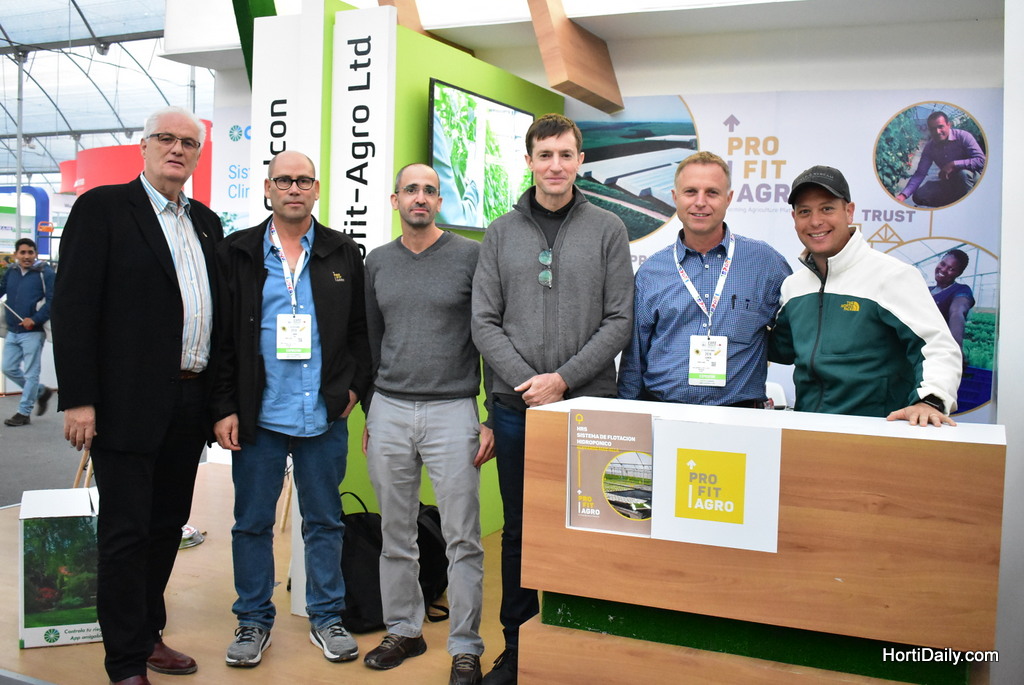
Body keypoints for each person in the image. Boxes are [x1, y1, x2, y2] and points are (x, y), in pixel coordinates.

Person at [52, 106, 222, 685]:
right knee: (125, 535)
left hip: (190, 402)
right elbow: (73, 307)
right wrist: (79, 399)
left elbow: (217, 314)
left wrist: (220, 403)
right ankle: (125, 663)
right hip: (123, 405)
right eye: (166, 139)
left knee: (166, 526)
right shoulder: (102, 208)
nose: (177, 149)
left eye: (189, 143)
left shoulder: (206, 222)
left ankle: (148, 635)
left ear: (198, 155)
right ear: (143, 146)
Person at [471, 113, 634, 684]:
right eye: (545, 155)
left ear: (580, 161)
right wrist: (530, 385)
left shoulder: (609, 228)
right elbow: (483, 321)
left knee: (591, 528)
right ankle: (517, 648)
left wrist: (561, 380)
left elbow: (619, 320)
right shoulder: (499, 232)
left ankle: (581, 643)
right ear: (529, 161)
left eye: (566, 154)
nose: (556, 165)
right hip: (516, 411)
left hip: (589, 409)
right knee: (520, 531)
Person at [211, 150, 371, 669]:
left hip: (322, 415)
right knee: (252, 523)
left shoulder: (343, 252)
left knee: (324, 520)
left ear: (317, 189)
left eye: (304, 180)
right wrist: (225, 406)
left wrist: (352, 390)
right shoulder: (237, 251)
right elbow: (222, 338)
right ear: (268, 188)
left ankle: (326, 616)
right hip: (257, 415)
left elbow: (360, 333)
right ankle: (253, 620)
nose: (294, 188)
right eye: (284, 180)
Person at [362, 163, 494, 685]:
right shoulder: (377, 261)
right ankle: (404, 630)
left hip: (452, 411)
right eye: (411, 189)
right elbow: (372, 339)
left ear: (440, 202)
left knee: (463, 538)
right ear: (394, 199)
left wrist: (488, 414)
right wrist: (371, 407)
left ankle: (465, 646)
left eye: (430, 191)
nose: (420, 197)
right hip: (390, 409)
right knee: (395, 533)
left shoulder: (470, 257)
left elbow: (488, 334)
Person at [769, 165, 962, 426]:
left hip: (876, 432)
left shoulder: (892, 276)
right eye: (805, 212)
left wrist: (931, 400)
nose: (815, 221)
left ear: (849, 212)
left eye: (827, 209)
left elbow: (938, 346)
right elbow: (780, 349)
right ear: (794, 219)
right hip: (807, 429)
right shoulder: (793, 286)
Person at [617, 152, 791, 406]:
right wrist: (628, 414)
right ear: (675, 197)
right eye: (690, 192)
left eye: (712, 192)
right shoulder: (651, 272)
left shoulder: (765, 263)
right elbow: (634, 358)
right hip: (665, 413)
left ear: (728, 198)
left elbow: (795, 333)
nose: (700, 202)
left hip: (740, 416)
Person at [1, 238, 55, 426]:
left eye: (30, 252)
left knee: (31, 373)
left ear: (35, 254)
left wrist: (35, 319)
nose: (26, 256)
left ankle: (23, 412)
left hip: (33, 331)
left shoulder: (45, 273)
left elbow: (52, 301)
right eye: (22, 252)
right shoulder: (11, 271)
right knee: (8, 368)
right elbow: (2, 290)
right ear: (15, 254)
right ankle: (40, 391)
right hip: (13, 330)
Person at [895, 111, 986, 207]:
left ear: (949, 125)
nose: (937, 132)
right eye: (933, 129)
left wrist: (954, 164)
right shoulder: (930, 147)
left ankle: (969, 204)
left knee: (963, 174)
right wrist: (903, 195)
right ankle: (953, 202)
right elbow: (920, 173)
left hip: (972, 179)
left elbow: (981, 160)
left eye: (940, 127)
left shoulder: (963, 136)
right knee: (919, 195)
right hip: (950, 182)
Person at [930, 248, 974, 350]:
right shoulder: (926, 289)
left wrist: (955, 348)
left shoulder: (960, 290)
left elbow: (957, 312)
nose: (943, 270)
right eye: (943, 264)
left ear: (958, 273)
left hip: (937, 348)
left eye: (951, 269)